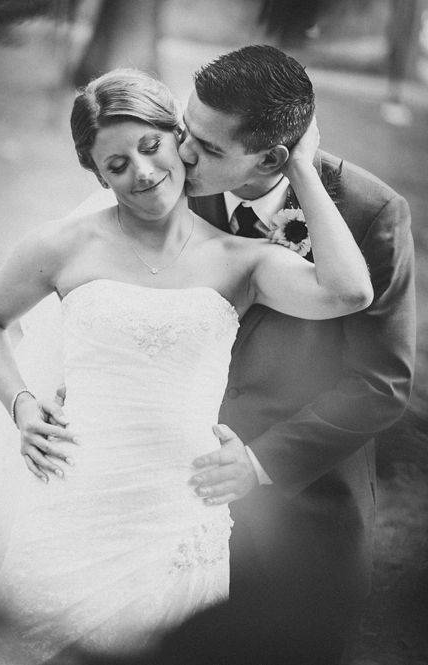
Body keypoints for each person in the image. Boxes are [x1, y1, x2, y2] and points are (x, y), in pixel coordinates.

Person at [0, 66, 373, 663]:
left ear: (178, 138)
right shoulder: (63, 246)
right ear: (97, 173)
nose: (143, 173)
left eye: (151, 146)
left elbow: (349, 293)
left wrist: (301, 165)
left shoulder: (242, 260)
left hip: (179, 509)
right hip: (73, 495)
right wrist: (20, 402)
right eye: (116, 164)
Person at [176, 45, 416, 663]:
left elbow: (381, 383)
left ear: (274, 157)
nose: (182, 154)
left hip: (302, 507)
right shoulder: (167, 190)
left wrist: (258, 462)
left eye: (208, 148)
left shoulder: (370, 212)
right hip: (171, 489)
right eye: (185, 130)